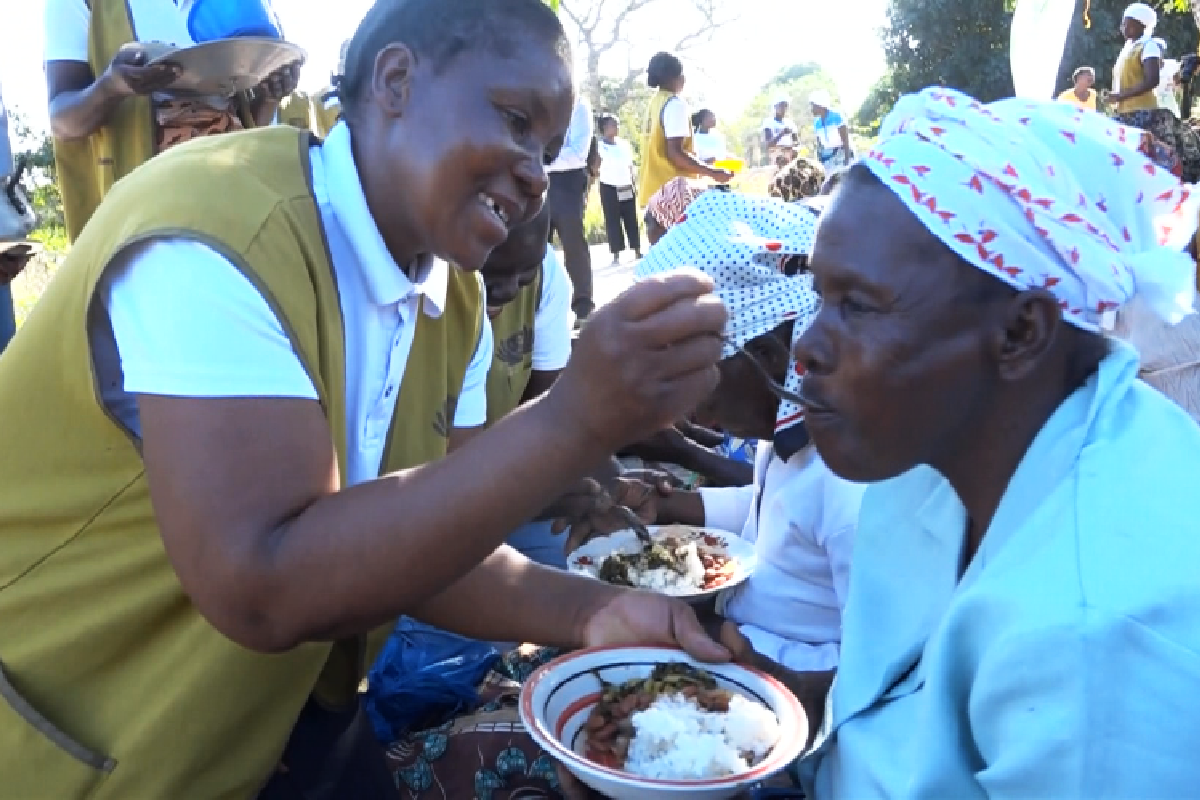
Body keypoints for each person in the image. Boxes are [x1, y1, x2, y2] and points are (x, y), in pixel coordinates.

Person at [0, 1, 734, 797]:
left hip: (272, 721)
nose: (534, 173)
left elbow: (434, 539)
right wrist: (578, 417)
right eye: (517, 120)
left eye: (550, 150)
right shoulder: (209, 233)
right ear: (394, 81)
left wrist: (592, 613)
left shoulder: (450, 300)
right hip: (74, 733)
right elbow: (263, 584)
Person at [617, 192, 865, 674]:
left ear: (770, 355)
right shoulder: (793, 431)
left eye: (699, 387)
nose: (694, 418)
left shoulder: (851, 486)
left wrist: (746, 652)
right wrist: (668, 505)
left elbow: (880, 667)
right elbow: (771, 514)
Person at [43, 0, 303, 242]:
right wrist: (110, 88)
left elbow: (243, 126)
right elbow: (62, 120)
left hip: (236, 198)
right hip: (148, 217)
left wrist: (269, 97)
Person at [637, 51, 732, 205]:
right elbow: (675, 153)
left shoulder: (654, 104)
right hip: (673, 194)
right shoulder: (675, 104)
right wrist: (712, 172)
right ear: (675, 77)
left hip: (653, 191)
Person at [546, 93, 595, 322]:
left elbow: (577, 154)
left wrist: (538, 158)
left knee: (573, 244)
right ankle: (536, 309)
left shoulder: (579, 106)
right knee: (531, 247)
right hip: (534, 179)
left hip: (567, 182)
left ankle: (583, 307)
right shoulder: (533, 97)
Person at [595, 114, 642, 266]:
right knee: (613, 219)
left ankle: (636, 249)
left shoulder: (623, 145)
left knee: (631, 218)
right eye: (612, 125)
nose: (616, 127)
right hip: (609, 186)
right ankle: (616, 253)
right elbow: (596, 166)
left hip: (626, 186)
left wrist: (633, 183)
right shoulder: (600, 146)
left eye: (617, 124)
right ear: (604, 128)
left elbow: (630, 165)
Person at [1107, 2, 1164, 119]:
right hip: (1124, 111)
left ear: (1142, 26)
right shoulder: (1127, 48)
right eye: (1123, 25)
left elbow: (1152, 80)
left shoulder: (1149, 46)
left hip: (1143, 112)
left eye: (1129, 25)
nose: (1124, 29)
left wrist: (1121, 95)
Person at [809, 89, 853, 170]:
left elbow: (846, 142)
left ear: (820, 105)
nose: (811, 109)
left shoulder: (836, 116)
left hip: (841, 156)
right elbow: (819, 145)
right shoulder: (816, 122)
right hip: (827, 159)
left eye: (813, 105)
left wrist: (847, 161)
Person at [763, 92, 798, 167]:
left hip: (789, 155)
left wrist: (794, 149)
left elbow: (796, 142)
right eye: (781, 106)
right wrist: (782, 134)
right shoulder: (769, 122)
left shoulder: (790, 123)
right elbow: (769, 144)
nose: (784, 109)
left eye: (785, 106)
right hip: (776, 155)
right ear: (775, 107)